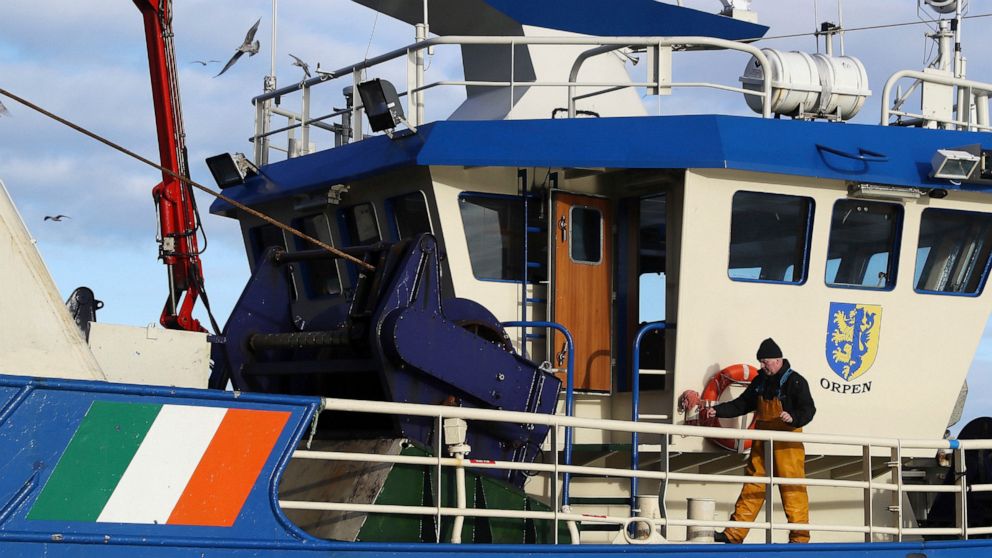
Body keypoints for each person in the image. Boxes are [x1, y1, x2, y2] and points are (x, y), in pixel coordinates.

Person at [701, 338, 816, 544]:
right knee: (753, 485)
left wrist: (793, 418)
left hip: (787, 444)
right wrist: (717, 410)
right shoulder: (760, 381)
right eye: (761, 362)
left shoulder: (796, 381)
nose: (762, 366)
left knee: (792, 489)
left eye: (765, 362)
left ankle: (800, 538)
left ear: (778, 360)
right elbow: (742, 404)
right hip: (762, 441)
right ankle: (733, 534)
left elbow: (808, 409)